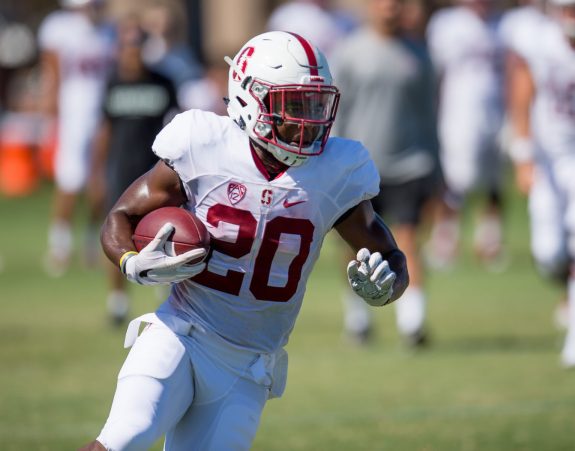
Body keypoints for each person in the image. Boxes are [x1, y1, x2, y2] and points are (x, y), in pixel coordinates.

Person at [79, 31, 409, 450]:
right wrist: (130, 261)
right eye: (293, 105)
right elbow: (122, 216)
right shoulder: (203, 143)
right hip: (181, 331)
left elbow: (390, 255)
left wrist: (386, 287)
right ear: (251, 98)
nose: (307, 120)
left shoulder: (337, 169)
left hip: (249, 364)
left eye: (315, 104)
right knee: (123, 438)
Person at [331, 0, 441, 346]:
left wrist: (437, 167)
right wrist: (333, 162)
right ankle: (358, 319)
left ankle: (412, 323)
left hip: (410, 164)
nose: (390, 8)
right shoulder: (349, 53)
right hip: (361, 167)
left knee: (407, 240)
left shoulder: (418, 55)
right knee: (354, 245)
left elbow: (429, 115)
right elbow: (336, 113)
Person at [507, 0, 575, 367]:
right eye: (570, 11)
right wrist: (524, 154)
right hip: (548, 159)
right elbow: (521, 95)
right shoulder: (538, 41)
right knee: (549, 254)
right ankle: (573, 294)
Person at [87, 15, 178, 325]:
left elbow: (175, 126)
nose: (133, 51)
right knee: (117, 233)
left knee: (167, 233)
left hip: (155, 173)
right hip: (121, 169)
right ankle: (118, 303)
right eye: (127, 45)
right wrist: (96, 173)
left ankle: (167, 299)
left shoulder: (163, 82)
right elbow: (104, 131)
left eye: (138, 44)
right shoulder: (112, 83)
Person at [424, 0, 508, 270]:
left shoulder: (504, 25)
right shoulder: (447, 24)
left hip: (498, 114)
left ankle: (490, 241)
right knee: (454, 183)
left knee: (494, 183)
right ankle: (445, 239)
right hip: (458, 115)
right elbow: (433, 74)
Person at [38, 0, 115, 276]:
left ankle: (92, 240)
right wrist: (52, 110)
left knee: (101, 181)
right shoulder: (60, 28)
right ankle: (60, 243)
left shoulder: (110, 31)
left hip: (104, 115)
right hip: (73, 115)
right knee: (70, 179)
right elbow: (52, 74)